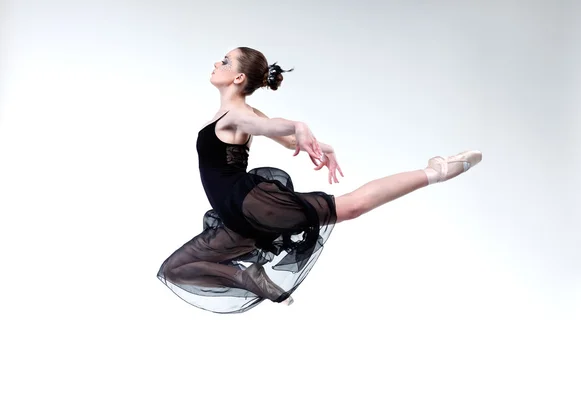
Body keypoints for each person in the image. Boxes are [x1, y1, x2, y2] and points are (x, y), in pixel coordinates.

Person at [157, 46, 482, 314]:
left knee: (350, 206)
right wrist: (309, 142)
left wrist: (296, 126)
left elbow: (272, 129)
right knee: (177, 268)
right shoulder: (239, 114)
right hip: (234, 219)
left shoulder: (239, 116)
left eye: (225, 61)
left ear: (238, 77)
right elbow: (282, 138)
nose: (217, 63)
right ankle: (248, 277)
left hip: (249, 205)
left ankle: (436, 171)